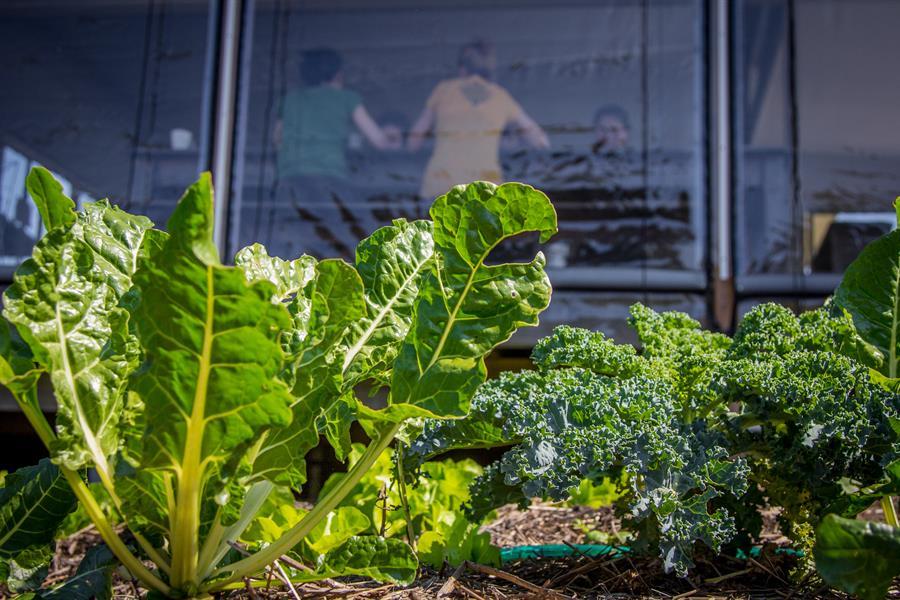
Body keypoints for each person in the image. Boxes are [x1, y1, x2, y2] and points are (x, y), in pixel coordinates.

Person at [273, 47, 399, 258]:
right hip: (328, 178)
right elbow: (378, 141)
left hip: (289, 179)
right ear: (338, 74)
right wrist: (395, 137)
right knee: (357, 229)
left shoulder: (290, 99)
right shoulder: (346, 98)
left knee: (300, 232)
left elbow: (277, 140)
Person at [408, 40, 549, 199]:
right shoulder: (500, 97)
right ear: (491, 70)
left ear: (461, 68)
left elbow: (414, 142)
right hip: (485, 190)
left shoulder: (444, 90)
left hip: (441, 184)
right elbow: (540, 141)